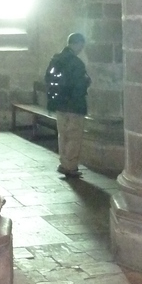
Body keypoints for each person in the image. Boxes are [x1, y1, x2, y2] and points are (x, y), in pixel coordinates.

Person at [45, 32, 91, 179]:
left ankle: (63, 163)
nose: (81, 49)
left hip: (59, 104)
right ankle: (70, 166)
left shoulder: (56, 59)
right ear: (76, 44)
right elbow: (80, 85)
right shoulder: (77, 63)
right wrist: (87, 81)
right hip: (74, 106)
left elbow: (48, 78)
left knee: (63, 135)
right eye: (81, 46)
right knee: (74, 136)